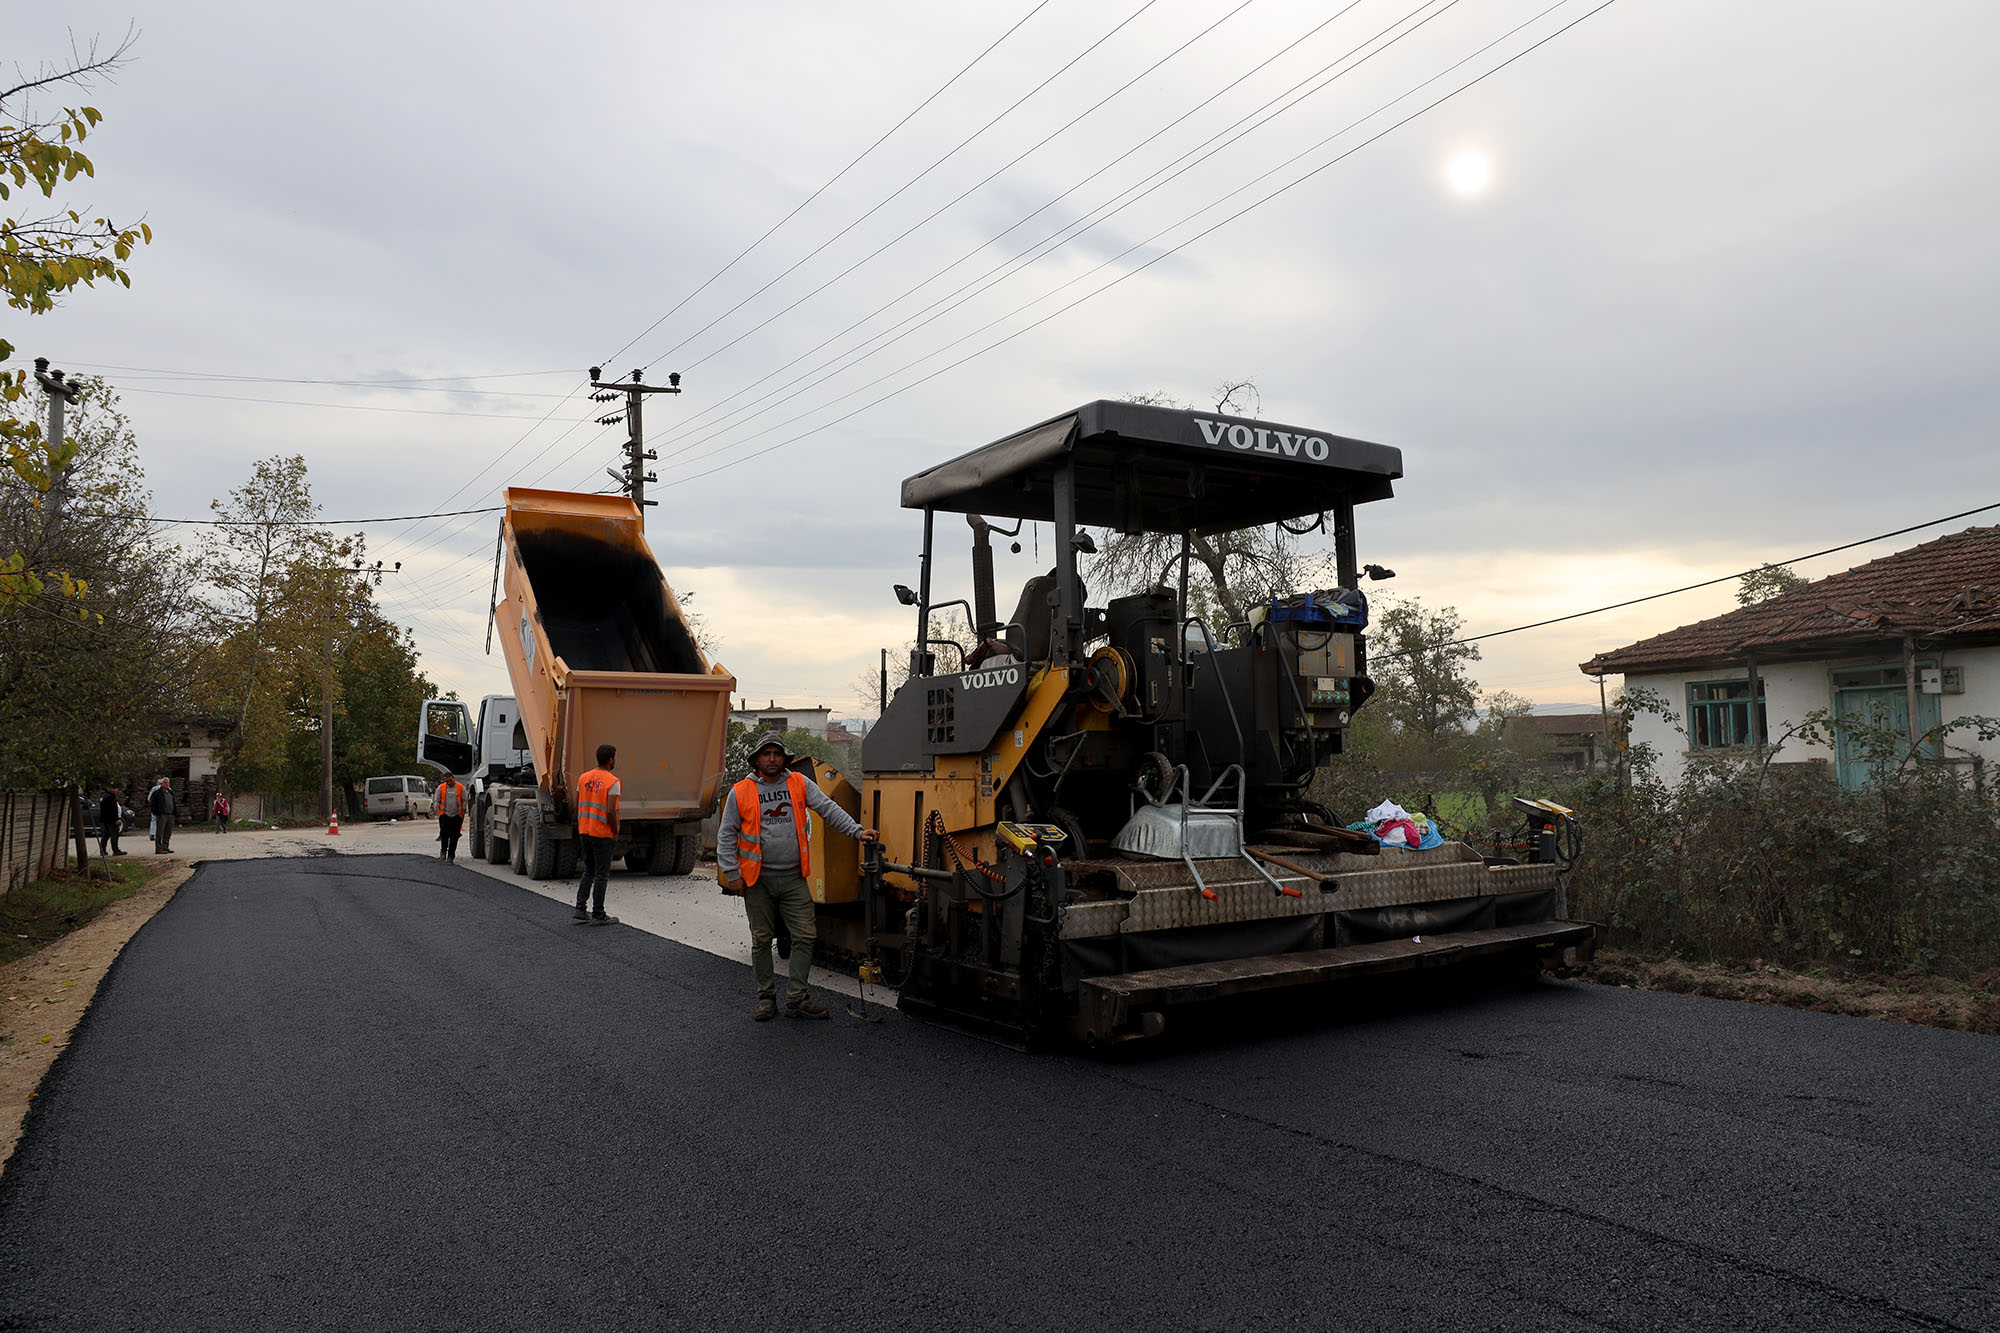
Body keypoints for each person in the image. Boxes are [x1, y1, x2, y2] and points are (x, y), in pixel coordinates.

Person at [717, 732, 878, 1022]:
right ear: (756, 759)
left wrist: (857, 831)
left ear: (785, 758)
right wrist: (732, 874)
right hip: (757, 881)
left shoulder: (799, 783)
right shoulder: (740, 791)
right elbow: (726, 834)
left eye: (776, 754)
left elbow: (828, 809)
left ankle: (796, 998)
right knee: (762, 940)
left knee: (805, 936)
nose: (771, 759)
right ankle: (766, 998)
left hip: (793, 878)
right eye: (766, 754)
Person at [572, 745, 620, 926]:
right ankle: (598, 914)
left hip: (585, 831)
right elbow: (610, 811)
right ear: (610, 759)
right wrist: (614, 831)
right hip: (602, 833)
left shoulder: (583, 778)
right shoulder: (612, 781)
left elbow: (577, 805)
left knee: (589, 870)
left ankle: (580, 908)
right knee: (601, 874)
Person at [435, 774, 468, 862]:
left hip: (457, 816)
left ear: (454, 778)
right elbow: (437, 801)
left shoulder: (461, 787)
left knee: (454, 837)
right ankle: (443, 852)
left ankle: (451, 855)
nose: (449, 783)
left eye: (450, 781)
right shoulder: (441, 788)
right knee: (444, 835)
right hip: (444, 815)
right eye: (447, 781)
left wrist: (462, 815)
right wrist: (439, 815)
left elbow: (465, 801)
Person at [147, 776, 177, 854]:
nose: (167, 784)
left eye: (168, 783)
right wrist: (156, 812)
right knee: (160, 832)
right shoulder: (157, 793)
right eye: (165, 782)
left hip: (170, 814)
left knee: (168, 832)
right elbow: (152, 803)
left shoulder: (170, 792)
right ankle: (159, 848)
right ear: (161, 784)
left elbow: (173, 802)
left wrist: (174, 812)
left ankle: (165, 847)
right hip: (161, 815)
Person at [97, 787, 126, 858]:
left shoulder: (104, 796)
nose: (116, 790)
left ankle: (102, 850)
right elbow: (112, 809)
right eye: (114, 788)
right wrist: (116, 819)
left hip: (105, 819)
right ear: (109, 788)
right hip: (111, 820)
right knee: (114, 835)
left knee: (105, 835)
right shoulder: (110, 797)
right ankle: (115, 850)